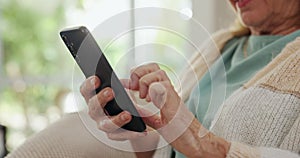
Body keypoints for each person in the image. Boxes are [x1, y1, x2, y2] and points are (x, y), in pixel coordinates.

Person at [6, 0, 300, 157]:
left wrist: (208, 148)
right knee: (78, 124)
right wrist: (138, 131)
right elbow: (173, 146)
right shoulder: (221, 45)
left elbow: (197, 141)